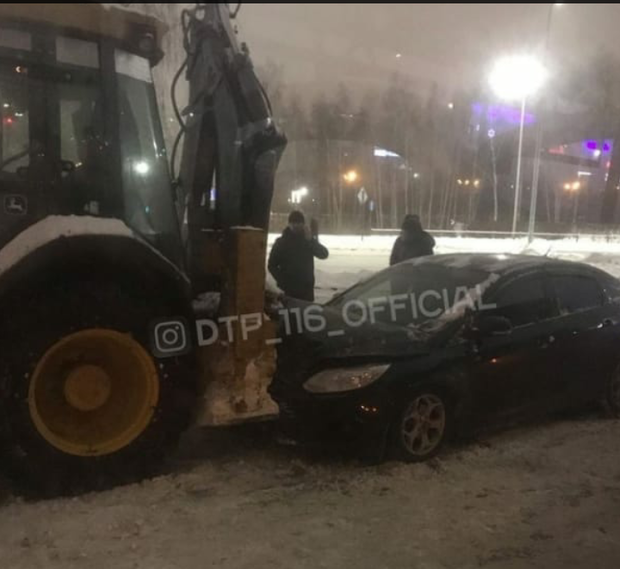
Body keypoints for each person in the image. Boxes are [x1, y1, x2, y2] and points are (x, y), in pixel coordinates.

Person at [268, 211, 329, 302]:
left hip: (306, 291)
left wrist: (311, 241)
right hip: (288, 291)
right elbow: (271, 265)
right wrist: (283, 281)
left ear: (303, 224)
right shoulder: (281, 242)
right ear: (289, 224)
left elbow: (324, 254)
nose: (296, 226)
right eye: (293, 223)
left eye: (298, 223)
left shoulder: (307, 241)